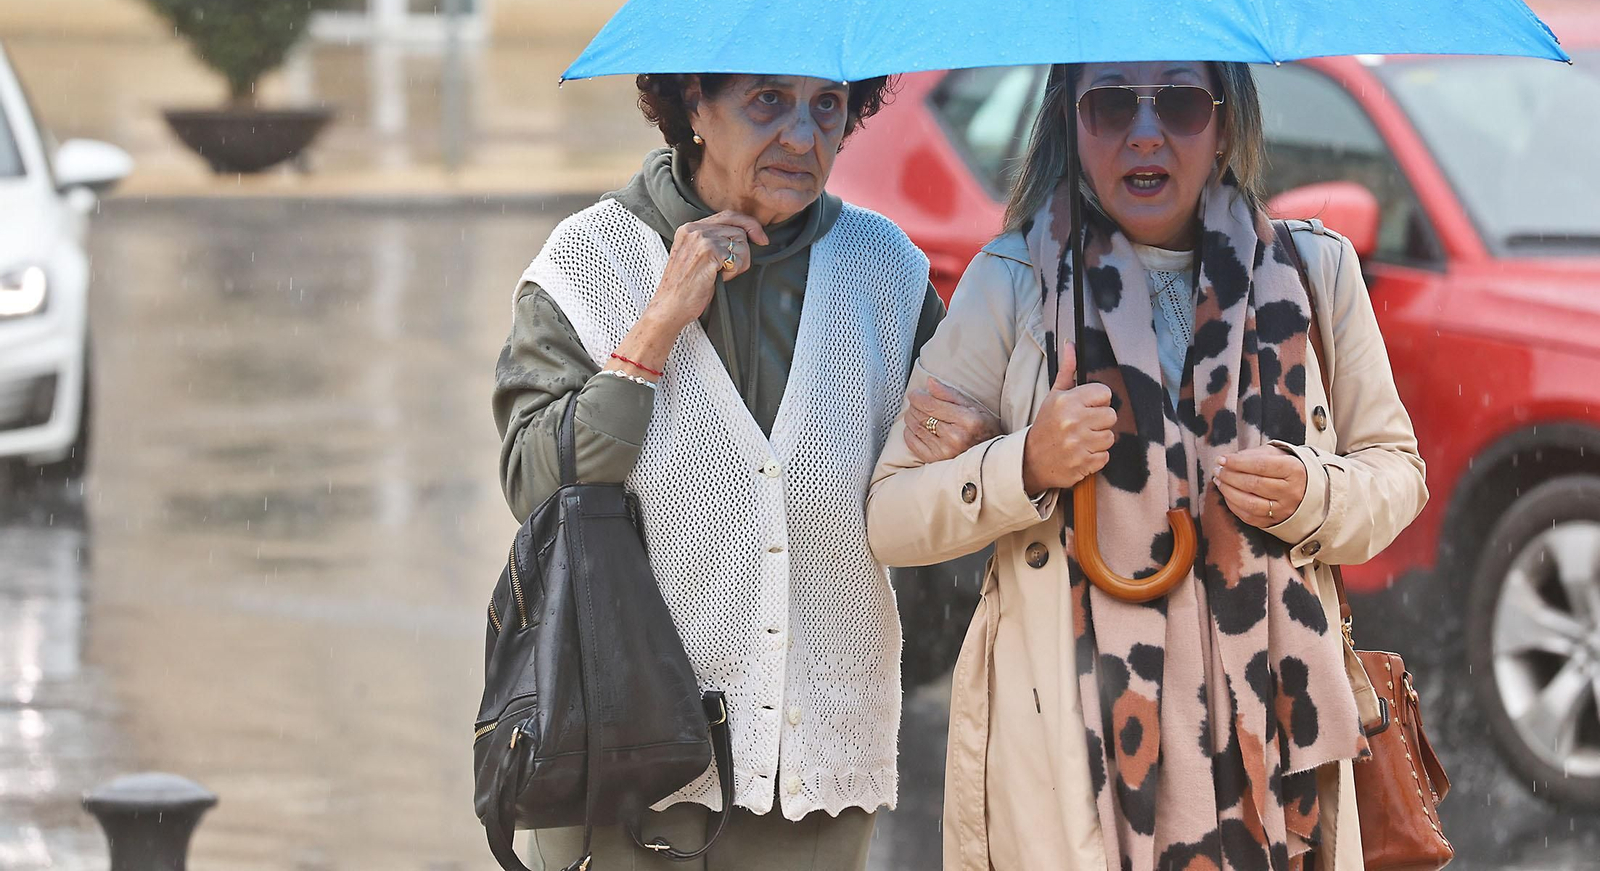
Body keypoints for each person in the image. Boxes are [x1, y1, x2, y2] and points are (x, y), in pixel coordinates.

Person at [867, 61, 1428, 871]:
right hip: (1075, 761)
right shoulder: (1012, 283)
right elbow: (890, 516)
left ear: (1226, 123)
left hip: (1271, 756)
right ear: (1070, 120)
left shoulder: (1317, 273)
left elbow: (1397, 472)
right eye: (1111, 103)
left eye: (1178, 101)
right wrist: (1024, 462)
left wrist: (1314, 491)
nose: (1144, 131)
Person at [493, 71, 995, 870]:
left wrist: (967, 438)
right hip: (620, 762)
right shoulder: (587, 261)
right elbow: (533, 483)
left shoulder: (885, 270)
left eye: (827, 105)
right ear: (694, 102)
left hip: (816, 770)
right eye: (768, 100)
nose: (803, 135)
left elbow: (934, 478)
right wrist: (655, 328)